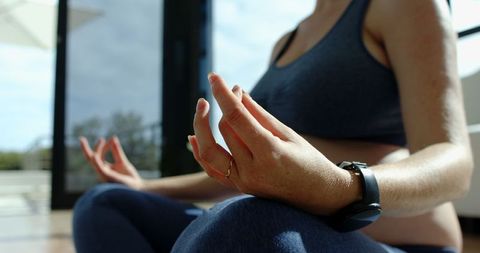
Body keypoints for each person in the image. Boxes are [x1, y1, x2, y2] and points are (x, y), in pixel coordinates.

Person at [73, 0, 474, 252]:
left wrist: (338, 188)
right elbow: (249, 173)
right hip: (276, 221)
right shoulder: (285, 41)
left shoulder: (404, 5)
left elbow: (454, 164)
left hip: (395, 240)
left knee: (242, 225)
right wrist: (145, 187)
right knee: (104, 204)